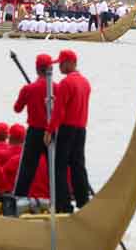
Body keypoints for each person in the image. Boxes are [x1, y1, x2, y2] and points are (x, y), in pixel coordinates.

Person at [45, 50, 91, 213]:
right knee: (78, 165)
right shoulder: (85, 82)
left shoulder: (66, 83)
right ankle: (83, 200)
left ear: (70, 63)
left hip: (67, 128)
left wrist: (49, 130)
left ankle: (63, 204)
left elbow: (59, 111)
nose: (60, 67)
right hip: (81, 128)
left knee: (60, 167)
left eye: (62, 63)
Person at [13, 54, 55, 198]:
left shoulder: (29, 89)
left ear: (37, 69)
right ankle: (60, 199)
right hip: (52, 132)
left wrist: (30, 95)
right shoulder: (58, 88)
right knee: (55, 169)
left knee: (27, 169)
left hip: (35, 133)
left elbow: (17, 108)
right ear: (51, 69)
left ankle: (19, 198)